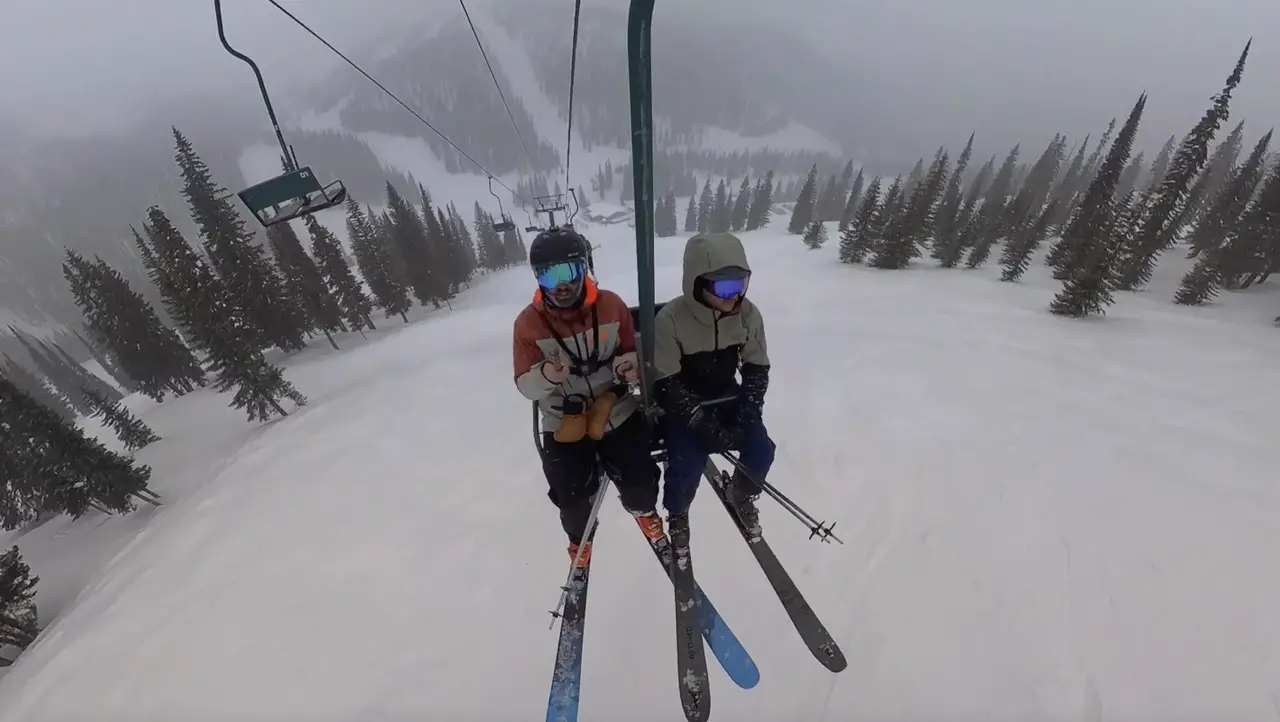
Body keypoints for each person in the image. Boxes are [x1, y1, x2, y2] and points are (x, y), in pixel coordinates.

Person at [513, 226, 665, 567]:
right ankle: (579, 538)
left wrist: (630, 366)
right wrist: (546, 376)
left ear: (584, 268)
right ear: (538, 279)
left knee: (640, 478)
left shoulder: (610, 307)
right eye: (549, 276)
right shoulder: (528, 325)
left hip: (617, 408)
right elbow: (525, 386)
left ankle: (643, 511)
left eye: (568, 272)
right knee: (570, 494)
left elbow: (630, 350)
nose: (561, 285)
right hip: (562, 416)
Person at [650, 232, 776, 539]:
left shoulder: (747, 316)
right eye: (725, 287)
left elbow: (757, 368)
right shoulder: (671, 320)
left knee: (761, 449)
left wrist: (746, 416)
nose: (735, 296)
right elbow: (666, 381)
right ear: (698, 283)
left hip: (725, 395)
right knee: (686, 462)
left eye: (740, 285)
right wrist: (702, 425)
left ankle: (742, 492)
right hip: (685, 403)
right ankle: (678, 511)